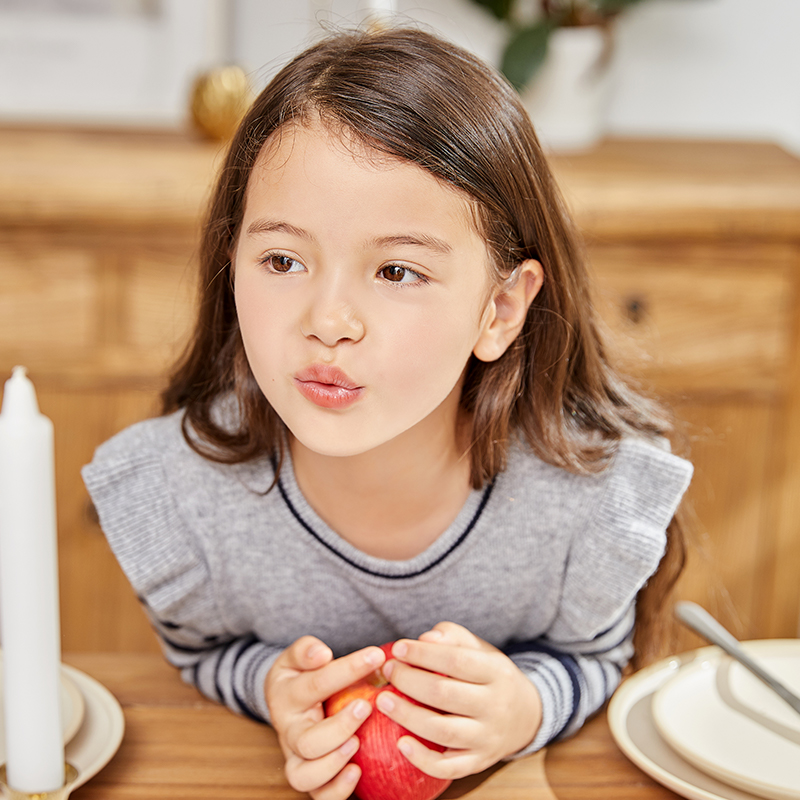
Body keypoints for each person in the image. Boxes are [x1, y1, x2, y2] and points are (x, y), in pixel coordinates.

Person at [83, 26, 693, 800]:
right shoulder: (187, 494)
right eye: (283, 260)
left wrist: (525, 707)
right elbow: (205, 651)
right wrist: (272, 687)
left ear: (500, 308)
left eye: (397, 270)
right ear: (229, 263)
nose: (328, 319)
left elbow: (592, 658)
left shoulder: (577, 502)